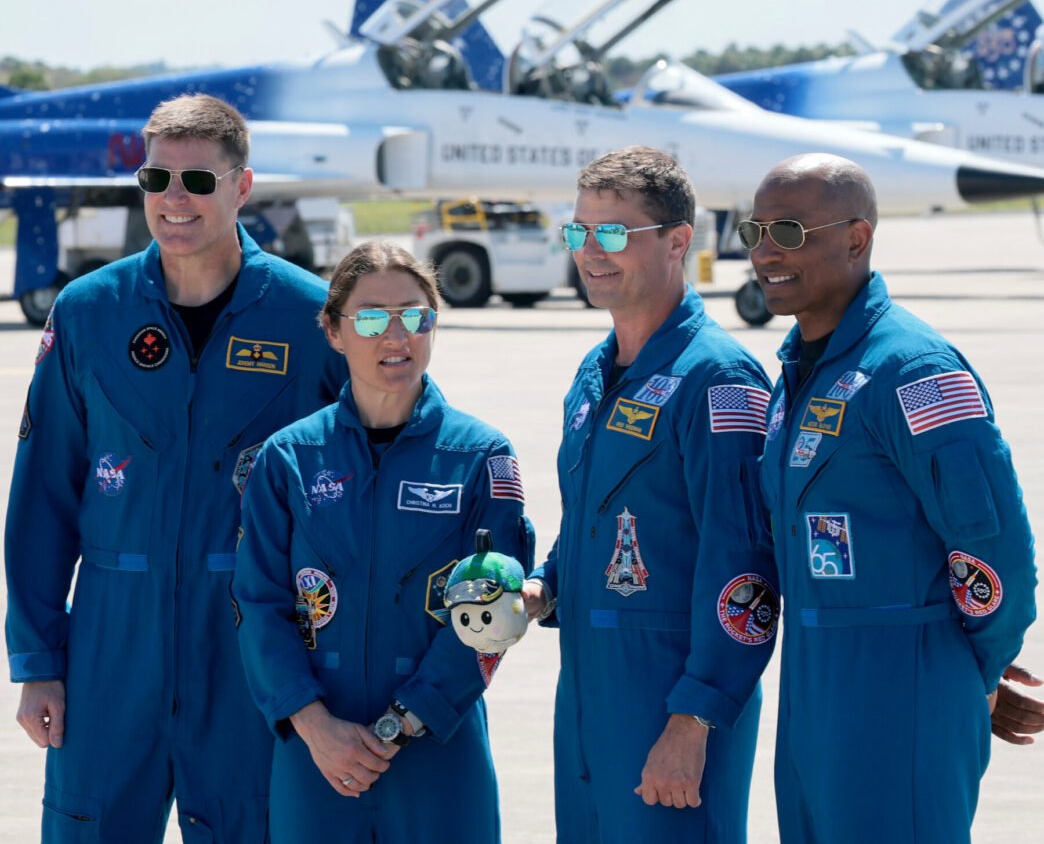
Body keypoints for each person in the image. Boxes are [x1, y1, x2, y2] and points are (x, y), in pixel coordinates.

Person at [5, 94, 347, 842]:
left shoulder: (309, 316)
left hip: (251, 644)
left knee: (250, 825)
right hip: (109, 647)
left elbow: (390, 444)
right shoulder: (90, 311)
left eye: (197, 180)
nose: (174, 199)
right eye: (156, 180)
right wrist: (37, 657)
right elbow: (42, 497)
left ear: (242, 186)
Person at [745, 152, 1038, 844]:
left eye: (788, 230)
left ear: (857, 237)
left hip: (902, 684)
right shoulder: (802, 369)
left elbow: (994, 548)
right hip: (814, 680)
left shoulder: (913, 372)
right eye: (754, 229)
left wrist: (971, 670)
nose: (763, 252)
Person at [232, 241, 534, 844]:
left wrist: (403, 721)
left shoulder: (482, 457)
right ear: (334, 331)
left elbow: (496, 612)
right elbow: (257, 603)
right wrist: (316, 727)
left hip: (438, 745)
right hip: (318, 750)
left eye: (414, 316)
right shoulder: (287, 458)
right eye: (370, 318)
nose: (395, 336)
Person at [522, 146, 779, 843]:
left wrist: (694, 718)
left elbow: (746, 568)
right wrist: (541, 588)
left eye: (613, 233)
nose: (590, 252)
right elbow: (594, 518)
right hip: (585, 698)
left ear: (677, 242)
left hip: (669, 702)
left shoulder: (719, 381)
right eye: (579, 232)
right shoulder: (596, 370)